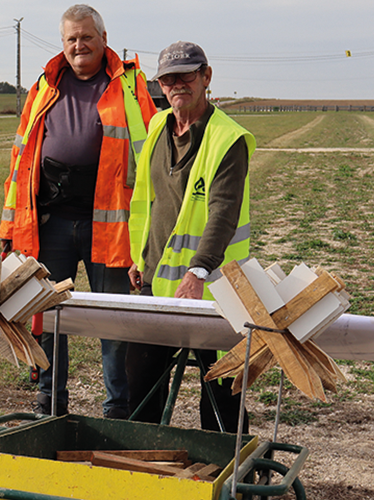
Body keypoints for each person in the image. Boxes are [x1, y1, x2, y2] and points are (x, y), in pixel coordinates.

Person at [0, 4, 157, 418]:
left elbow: (154, 149)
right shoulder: (44, 86)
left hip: (112, 225)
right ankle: (50, 404)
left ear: (103, 38)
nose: (79, 45)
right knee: (48, 316)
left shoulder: (129, 84)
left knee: (112, 320)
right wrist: (9, 224)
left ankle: (117, 409)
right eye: (71, 39)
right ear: (62, 44)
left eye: (86, 37)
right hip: (50, 222)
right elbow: (20, 159)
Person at [126, 41, 256, 431]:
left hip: (214, 288)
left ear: (206, 77)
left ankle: (231, 472)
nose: (176, 84)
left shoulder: (227, 138)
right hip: (155, 282)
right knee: (142, 385)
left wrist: (198, 271)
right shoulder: (156, 127)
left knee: (219, 389)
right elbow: (148, 198)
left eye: (186, 75)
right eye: (168, 78)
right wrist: (140, 257)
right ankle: (145, 467)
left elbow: (224, 211)